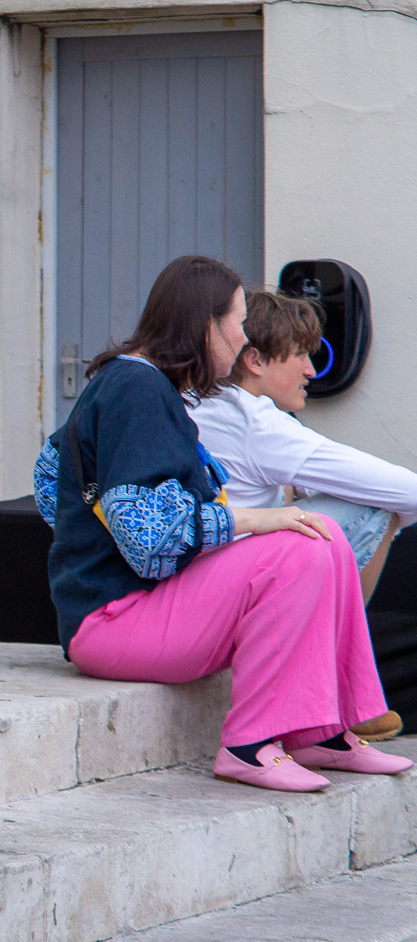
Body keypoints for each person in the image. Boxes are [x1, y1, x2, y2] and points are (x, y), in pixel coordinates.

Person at [34, 255, 411, 792]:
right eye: (237, 322)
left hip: (130, 607)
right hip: (111, 621)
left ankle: (321, 732)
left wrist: (87, 531)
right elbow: (151, 541)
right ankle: (248, 746)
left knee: (320, 537)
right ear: (205, 324)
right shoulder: (136, 387)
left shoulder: (140, 384)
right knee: (296, 545)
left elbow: (51, 477)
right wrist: (258, 518)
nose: (243, 338)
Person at [191, 288, 416, 740]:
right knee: (374, 507)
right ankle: (340, 683)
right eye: (300, 356)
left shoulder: (202, 401)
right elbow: (405, 491)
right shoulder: (256, 421)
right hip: (231, 595)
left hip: (194, 584)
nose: (312, 370)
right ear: (255, 360)